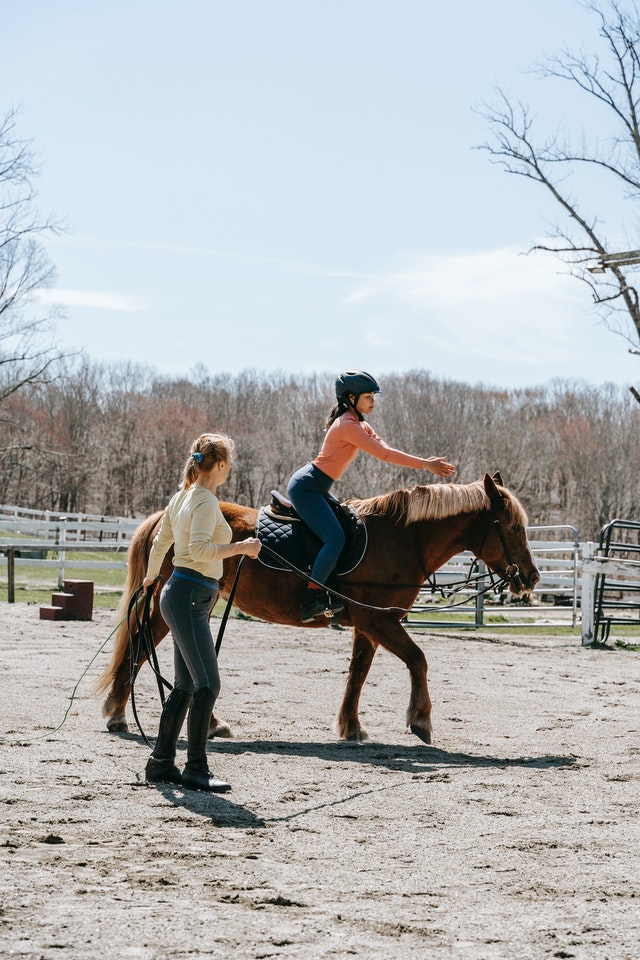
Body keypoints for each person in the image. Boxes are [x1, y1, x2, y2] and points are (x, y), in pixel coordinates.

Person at [142, 433, 261, 793]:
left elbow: (162, 542)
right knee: (208, 684)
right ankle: (196, 768)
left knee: (187, 683)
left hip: (179, 592)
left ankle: (161, 762)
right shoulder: (206, 500)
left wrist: (150, 579)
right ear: (221, 465)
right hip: (191, 594)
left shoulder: (181, 497)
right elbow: (197, 549)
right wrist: (241, 547)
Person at [287, 370, 456, 623]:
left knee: (344, 531)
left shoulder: (359, 424)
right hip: (307, 487)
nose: (373, 401)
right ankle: (311, 598)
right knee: (335, 539)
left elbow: (385, 448)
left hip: (317, 486)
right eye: (368, 396)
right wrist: (424, 465)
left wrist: (423, 463)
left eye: (373, 396)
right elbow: (384, 455)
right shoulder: (347, 425)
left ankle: (333, 591)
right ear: (350, 398)